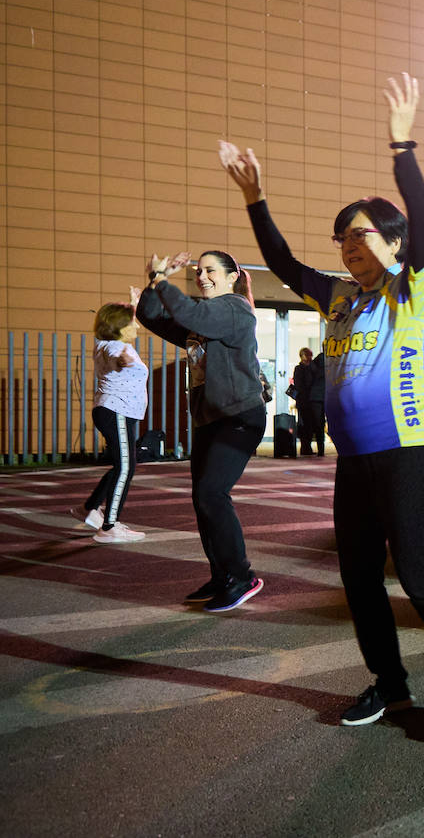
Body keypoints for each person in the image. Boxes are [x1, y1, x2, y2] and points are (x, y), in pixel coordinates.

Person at [220, 72, 424, 742]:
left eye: (363, 234)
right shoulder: (339, 296)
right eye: (343, 236)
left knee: (420, 575)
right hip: (357, 460)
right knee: (360, 577)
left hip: (411, 449)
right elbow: (284, 263)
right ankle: (391, 683)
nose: (350, 244)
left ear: (395, 246)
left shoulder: (413, 288)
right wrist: (256, 199)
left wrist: (403, 147)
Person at [136, 248, 266, 612]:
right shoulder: (203, 318)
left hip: (240, 417)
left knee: (212, 492)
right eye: (198, 272)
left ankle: (241, 576)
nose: (202, 277)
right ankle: (222, 575)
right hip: (211, 419)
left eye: (210, 271)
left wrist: (164, 281)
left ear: (232, 277)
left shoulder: (235, 309)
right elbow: (151, 317)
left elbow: (191, 313)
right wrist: (153, 284)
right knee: (202, 498)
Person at [76, 301, 148, 543]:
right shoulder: (115, 347)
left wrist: (134, 304)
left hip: (115, 410)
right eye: (132, 323)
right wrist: (121, 360)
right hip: (117, 410)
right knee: (126, 467)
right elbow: (114, 357)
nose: (137, 326)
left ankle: (90, 508)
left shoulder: (103, 343)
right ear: (119, 327)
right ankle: (109, 527)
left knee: (122, 465)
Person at [292, 347, 327, 455]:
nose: (309, 358)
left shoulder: (311, 367)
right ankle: (306, 448)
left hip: (308, 401)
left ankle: (308, 448)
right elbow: (300, 385)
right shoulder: (301, 368)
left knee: (310, 425)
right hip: (305, 401)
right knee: (307, 425)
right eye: (307, 355)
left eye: (310, 355)